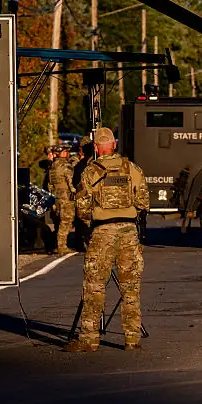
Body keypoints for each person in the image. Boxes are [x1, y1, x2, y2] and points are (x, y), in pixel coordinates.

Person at [66, 126, 149, 352]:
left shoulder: (90, 172)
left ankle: (89, 338)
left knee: (94, 286)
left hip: (102, 233)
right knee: (130, 288)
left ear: (95, 148)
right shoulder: (132, 169)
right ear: (114, 145)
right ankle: (132, 338)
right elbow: (143, 203)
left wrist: (93, 221)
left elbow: (82, 209)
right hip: (129, 232)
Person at [48, 146, 76, 254]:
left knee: (58, 221)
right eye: (66, 151)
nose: (68, 153)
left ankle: (58, 245)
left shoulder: (53, 167)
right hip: (66, 197)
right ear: (62, 153)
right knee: (66, 222)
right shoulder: (66, 166)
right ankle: (62, 246)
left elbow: (50, 185)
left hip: (56, 196)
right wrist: (75, 192)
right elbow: (71, 182)